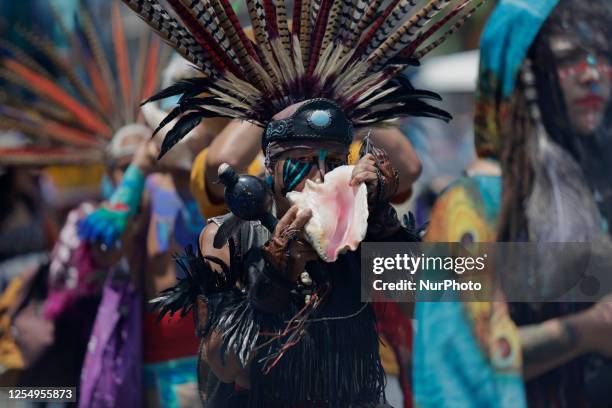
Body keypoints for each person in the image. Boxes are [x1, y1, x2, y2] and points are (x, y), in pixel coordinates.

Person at [123, 0, 483, 406]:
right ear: (271, 168)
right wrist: (275, 271)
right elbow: (225, 364)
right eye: (299, 163)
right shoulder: (230, 237)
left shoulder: (357, 233)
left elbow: (445, 295)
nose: (318, 175)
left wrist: (383, 221)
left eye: (332, 162)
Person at [413, 0, 612, 406]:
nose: (593, 74)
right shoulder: (468, 207)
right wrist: (585, 330)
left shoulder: (601, 194)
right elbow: (466, 357)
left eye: (606, 56)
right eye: (570, 58)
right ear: (521, 74)